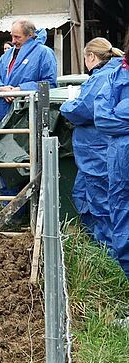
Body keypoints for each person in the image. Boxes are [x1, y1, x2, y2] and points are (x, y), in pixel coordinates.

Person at [0, 19, 57, 220]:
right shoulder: (7, 54)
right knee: (4, 162)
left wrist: (20, 90)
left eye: (17, 37)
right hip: (2, 114)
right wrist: (1, 88)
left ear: (30, 35)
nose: (13, 40)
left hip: (25, 117)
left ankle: (25, 214)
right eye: (12, 36)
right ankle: (8, 212)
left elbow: (49, 84)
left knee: (23, 164)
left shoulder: (44, 53)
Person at [60, 37, 124, 249]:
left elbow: (84, 109)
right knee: (84, 196)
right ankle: (97, 247)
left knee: (101, 204)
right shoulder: (113, 72)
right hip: (93, 152)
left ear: (91, 57)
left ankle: (109, 255)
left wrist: (66, 106)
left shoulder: (102, 77)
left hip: (97, 152)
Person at [94, 36, 129, 278]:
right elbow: (102, 117)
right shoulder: (117, 75)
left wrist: (122, 109)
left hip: (120, 150)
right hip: (121, 159)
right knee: (121, 213)